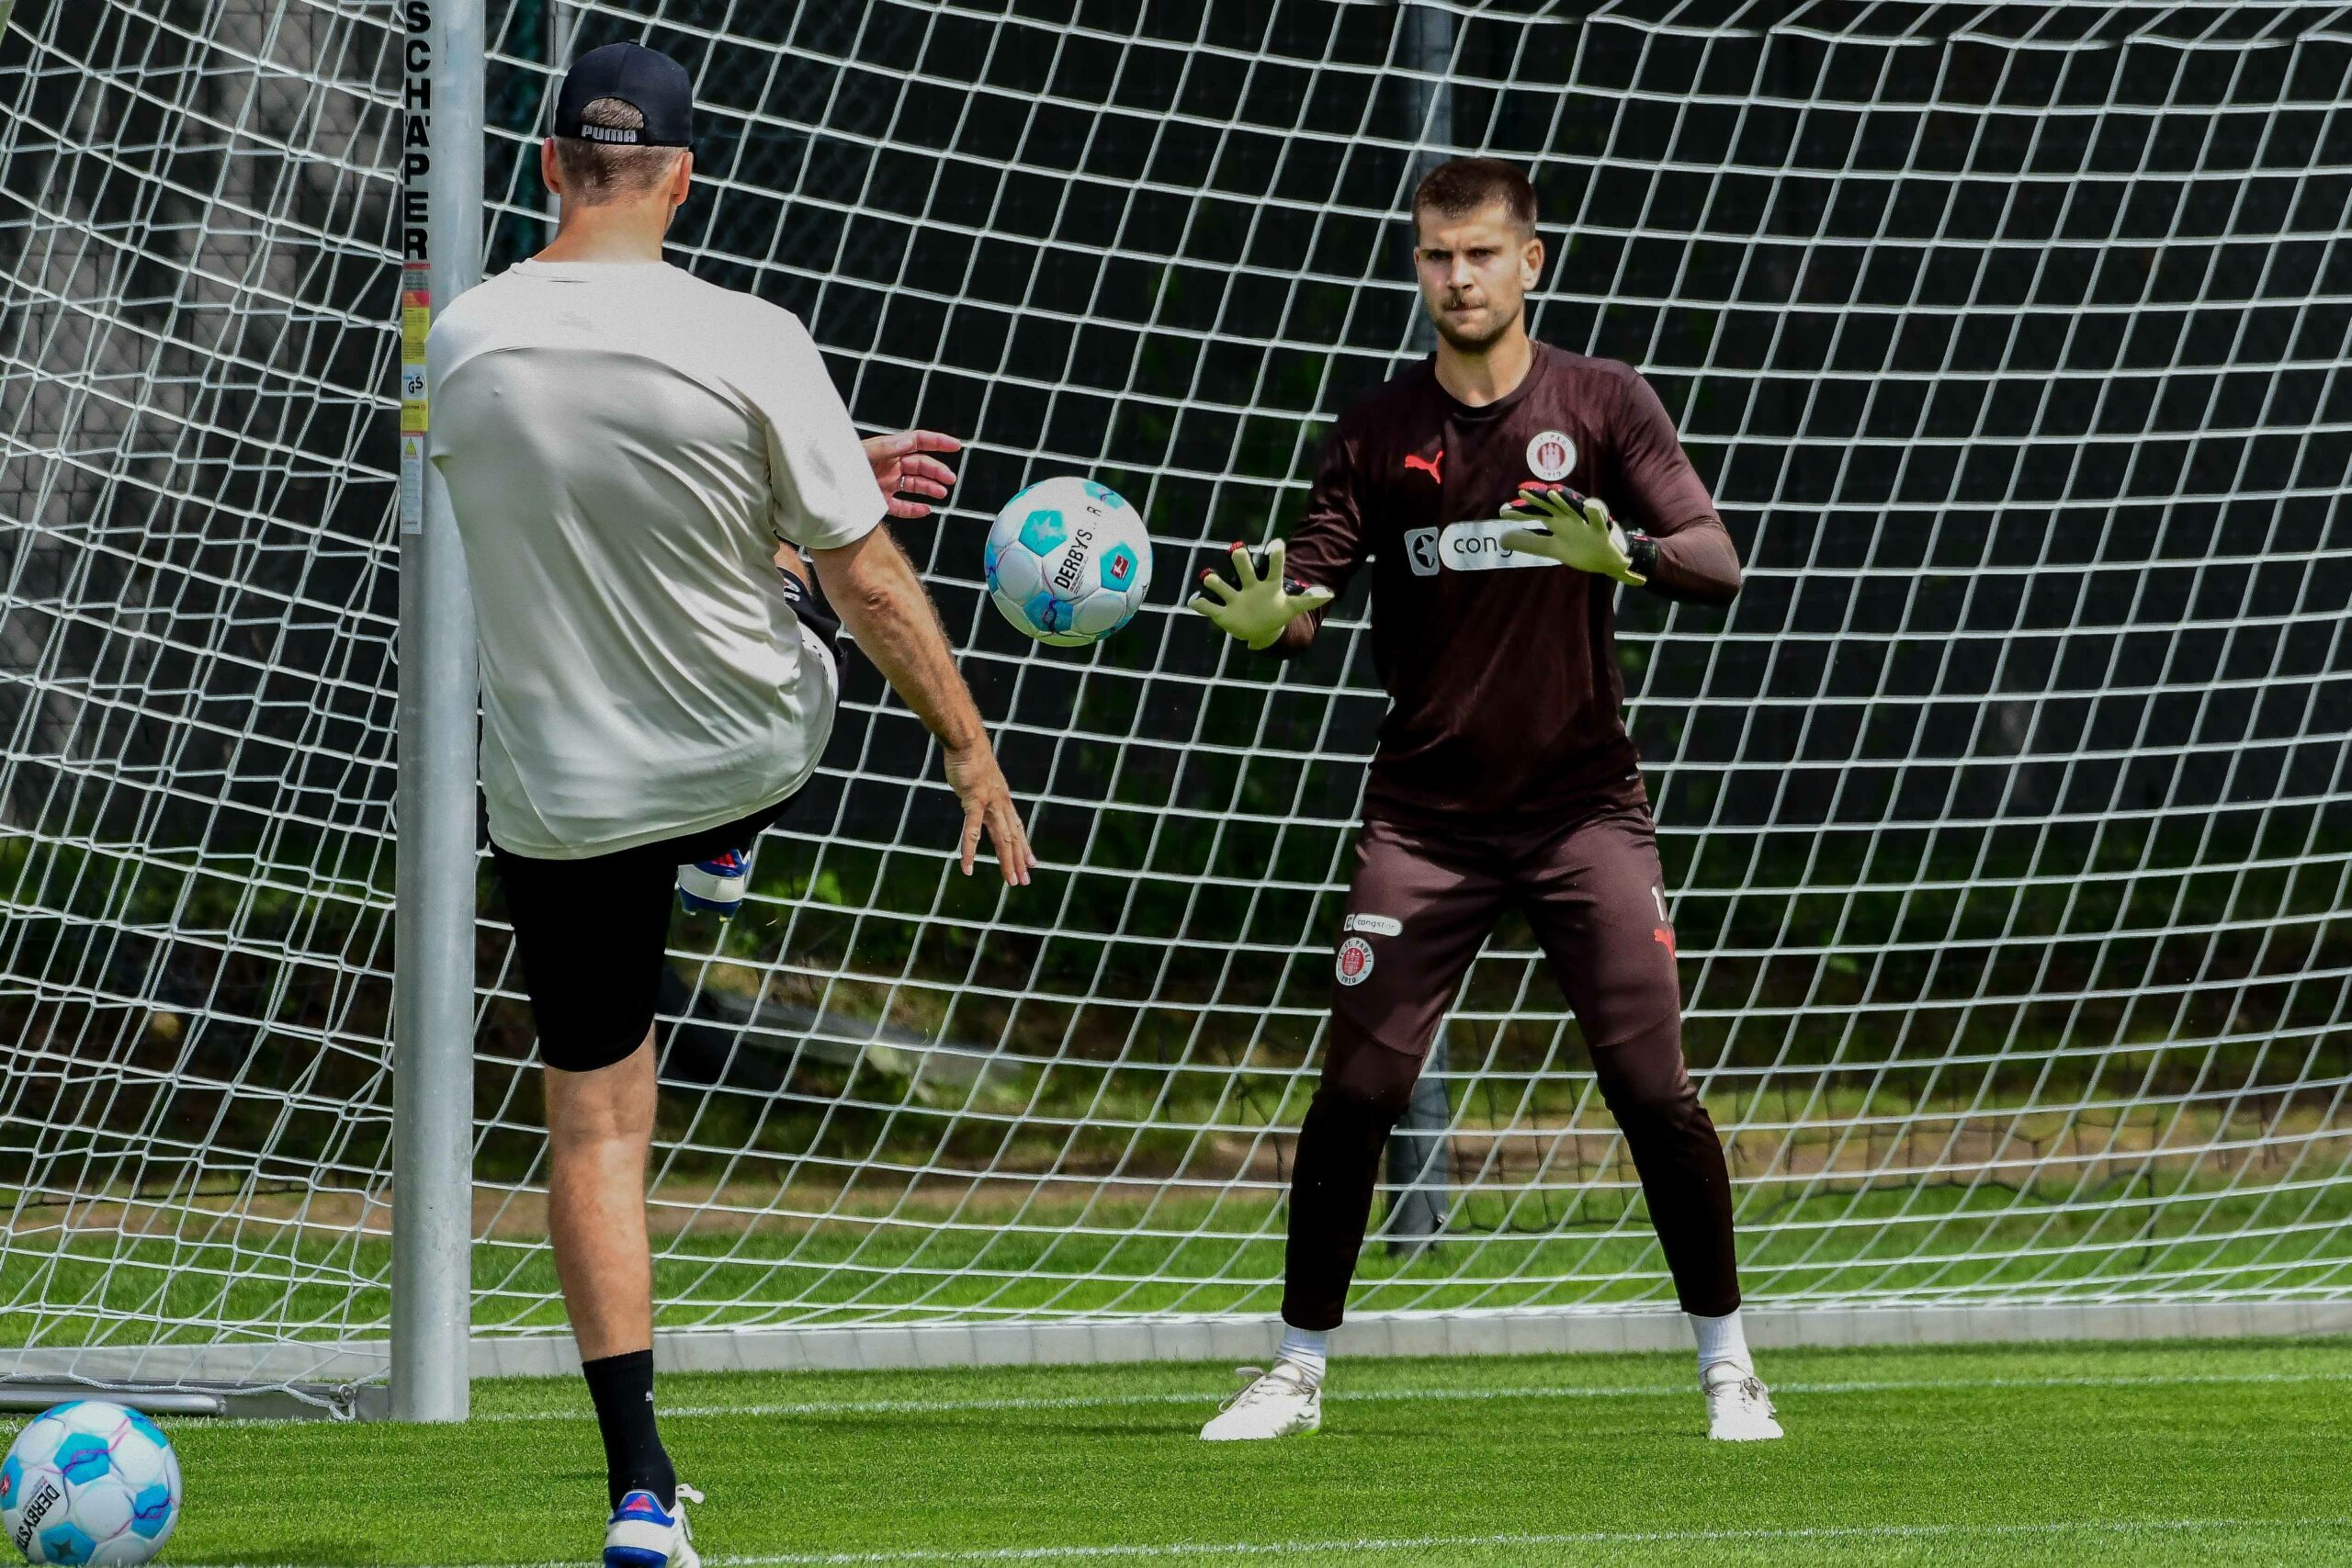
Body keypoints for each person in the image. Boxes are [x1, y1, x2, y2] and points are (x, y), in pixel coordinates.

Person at [426, 42, 1036, 1568]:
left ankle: (639, 1492)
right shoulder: (753, 334)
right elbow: (872, 575)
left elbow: (597, 466)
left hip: (557, 796)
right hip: (739, 744)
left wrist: (807, 479)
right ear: (684, 181)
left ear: (552, 165)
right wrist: (968, 745)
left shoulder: (460, 340)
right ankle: (727, 846)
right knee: (811, 612)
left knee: (594, 1131)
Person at [1189, 155, 1777, 1444]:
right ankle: (1294, 1370)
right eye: (1436, 257)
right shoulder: (1371, 429)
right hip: (1428, 822)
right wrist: (1268, 619)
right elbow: (1307, 597)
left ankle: (1730, 1366)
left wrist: (1617, 549)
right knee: (1357, 1089)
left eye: (1480, 255)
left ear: (1531, 262)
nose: (1457, 278)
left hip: (1582, 813)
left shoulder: (1604, 403)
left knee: (1650, 1087)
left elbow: (1717, 560)